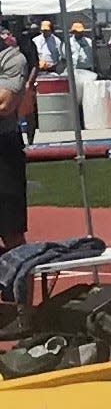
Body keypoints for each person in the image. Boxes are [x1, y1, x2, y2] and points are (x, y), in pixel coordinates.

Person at [0, 38, 28, 250]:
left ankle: (19, 283)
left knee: (11, 232)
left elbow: (5, 104)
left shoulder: (12, 59)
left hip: (4, 152)